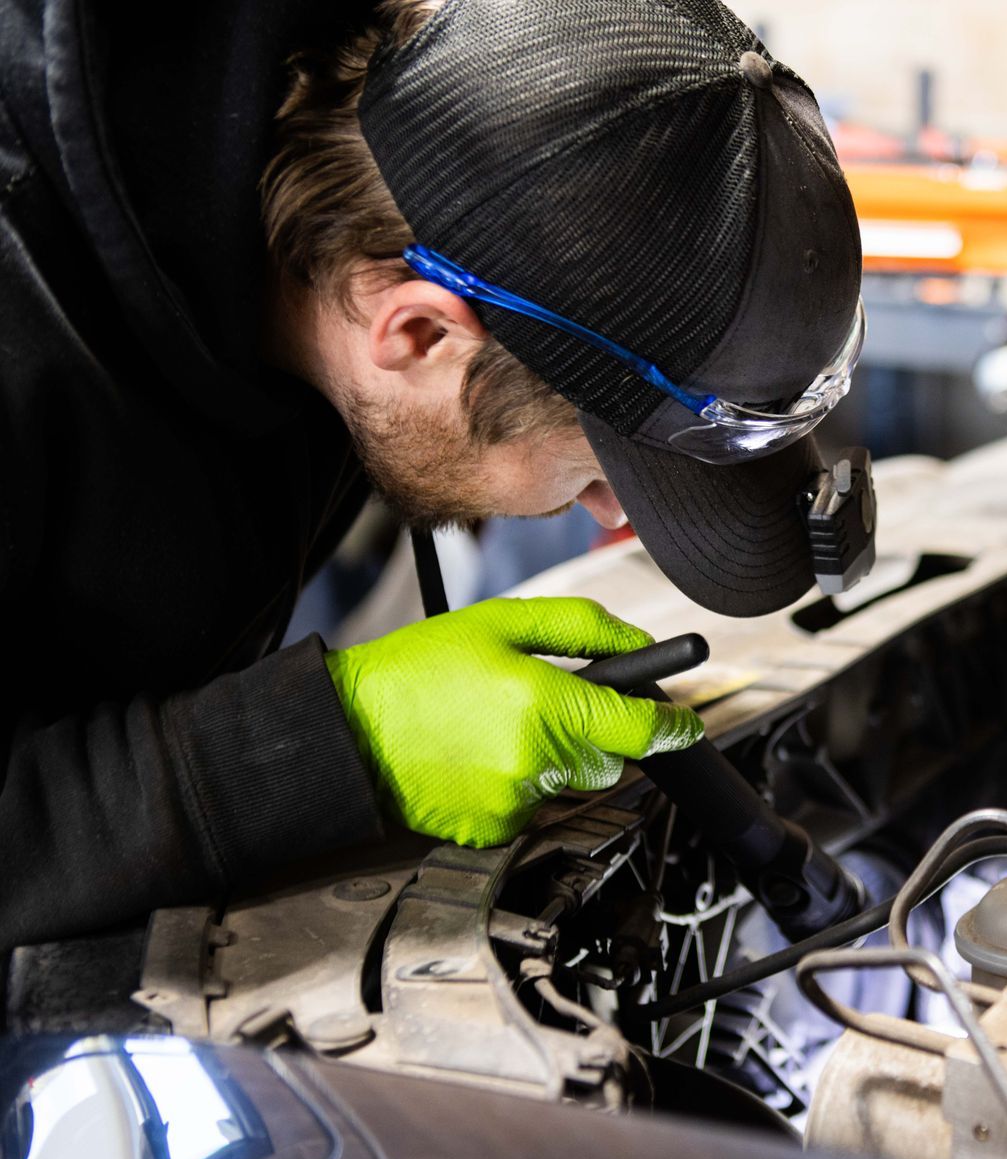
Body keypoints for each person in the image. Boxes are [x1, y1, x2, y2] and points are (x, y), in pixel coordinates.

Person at [0, 0, 866, 951]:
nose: (614, 514)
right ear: (418, 333)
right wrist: (336, 744)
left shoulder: (393, 144)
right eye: (598, 466)